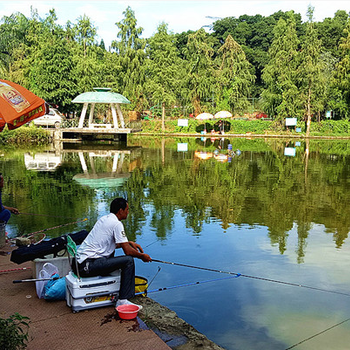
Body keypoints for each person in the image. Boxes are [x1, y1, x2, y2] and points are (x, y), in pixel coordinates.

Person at [75, 197, 152, 309]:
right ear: (120, 210)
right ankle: (123, 300)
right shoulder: (116, 224)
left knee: (114, 257)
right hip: (87, 265)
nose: (128, 212)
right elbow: (128, 252)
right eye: (127, 209)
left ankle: (116, 291)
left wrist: (128, 242)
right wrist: (142, 256)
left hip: (80, 264)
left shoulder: (104, 219)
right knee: (128, 261)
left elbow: (108, 244)